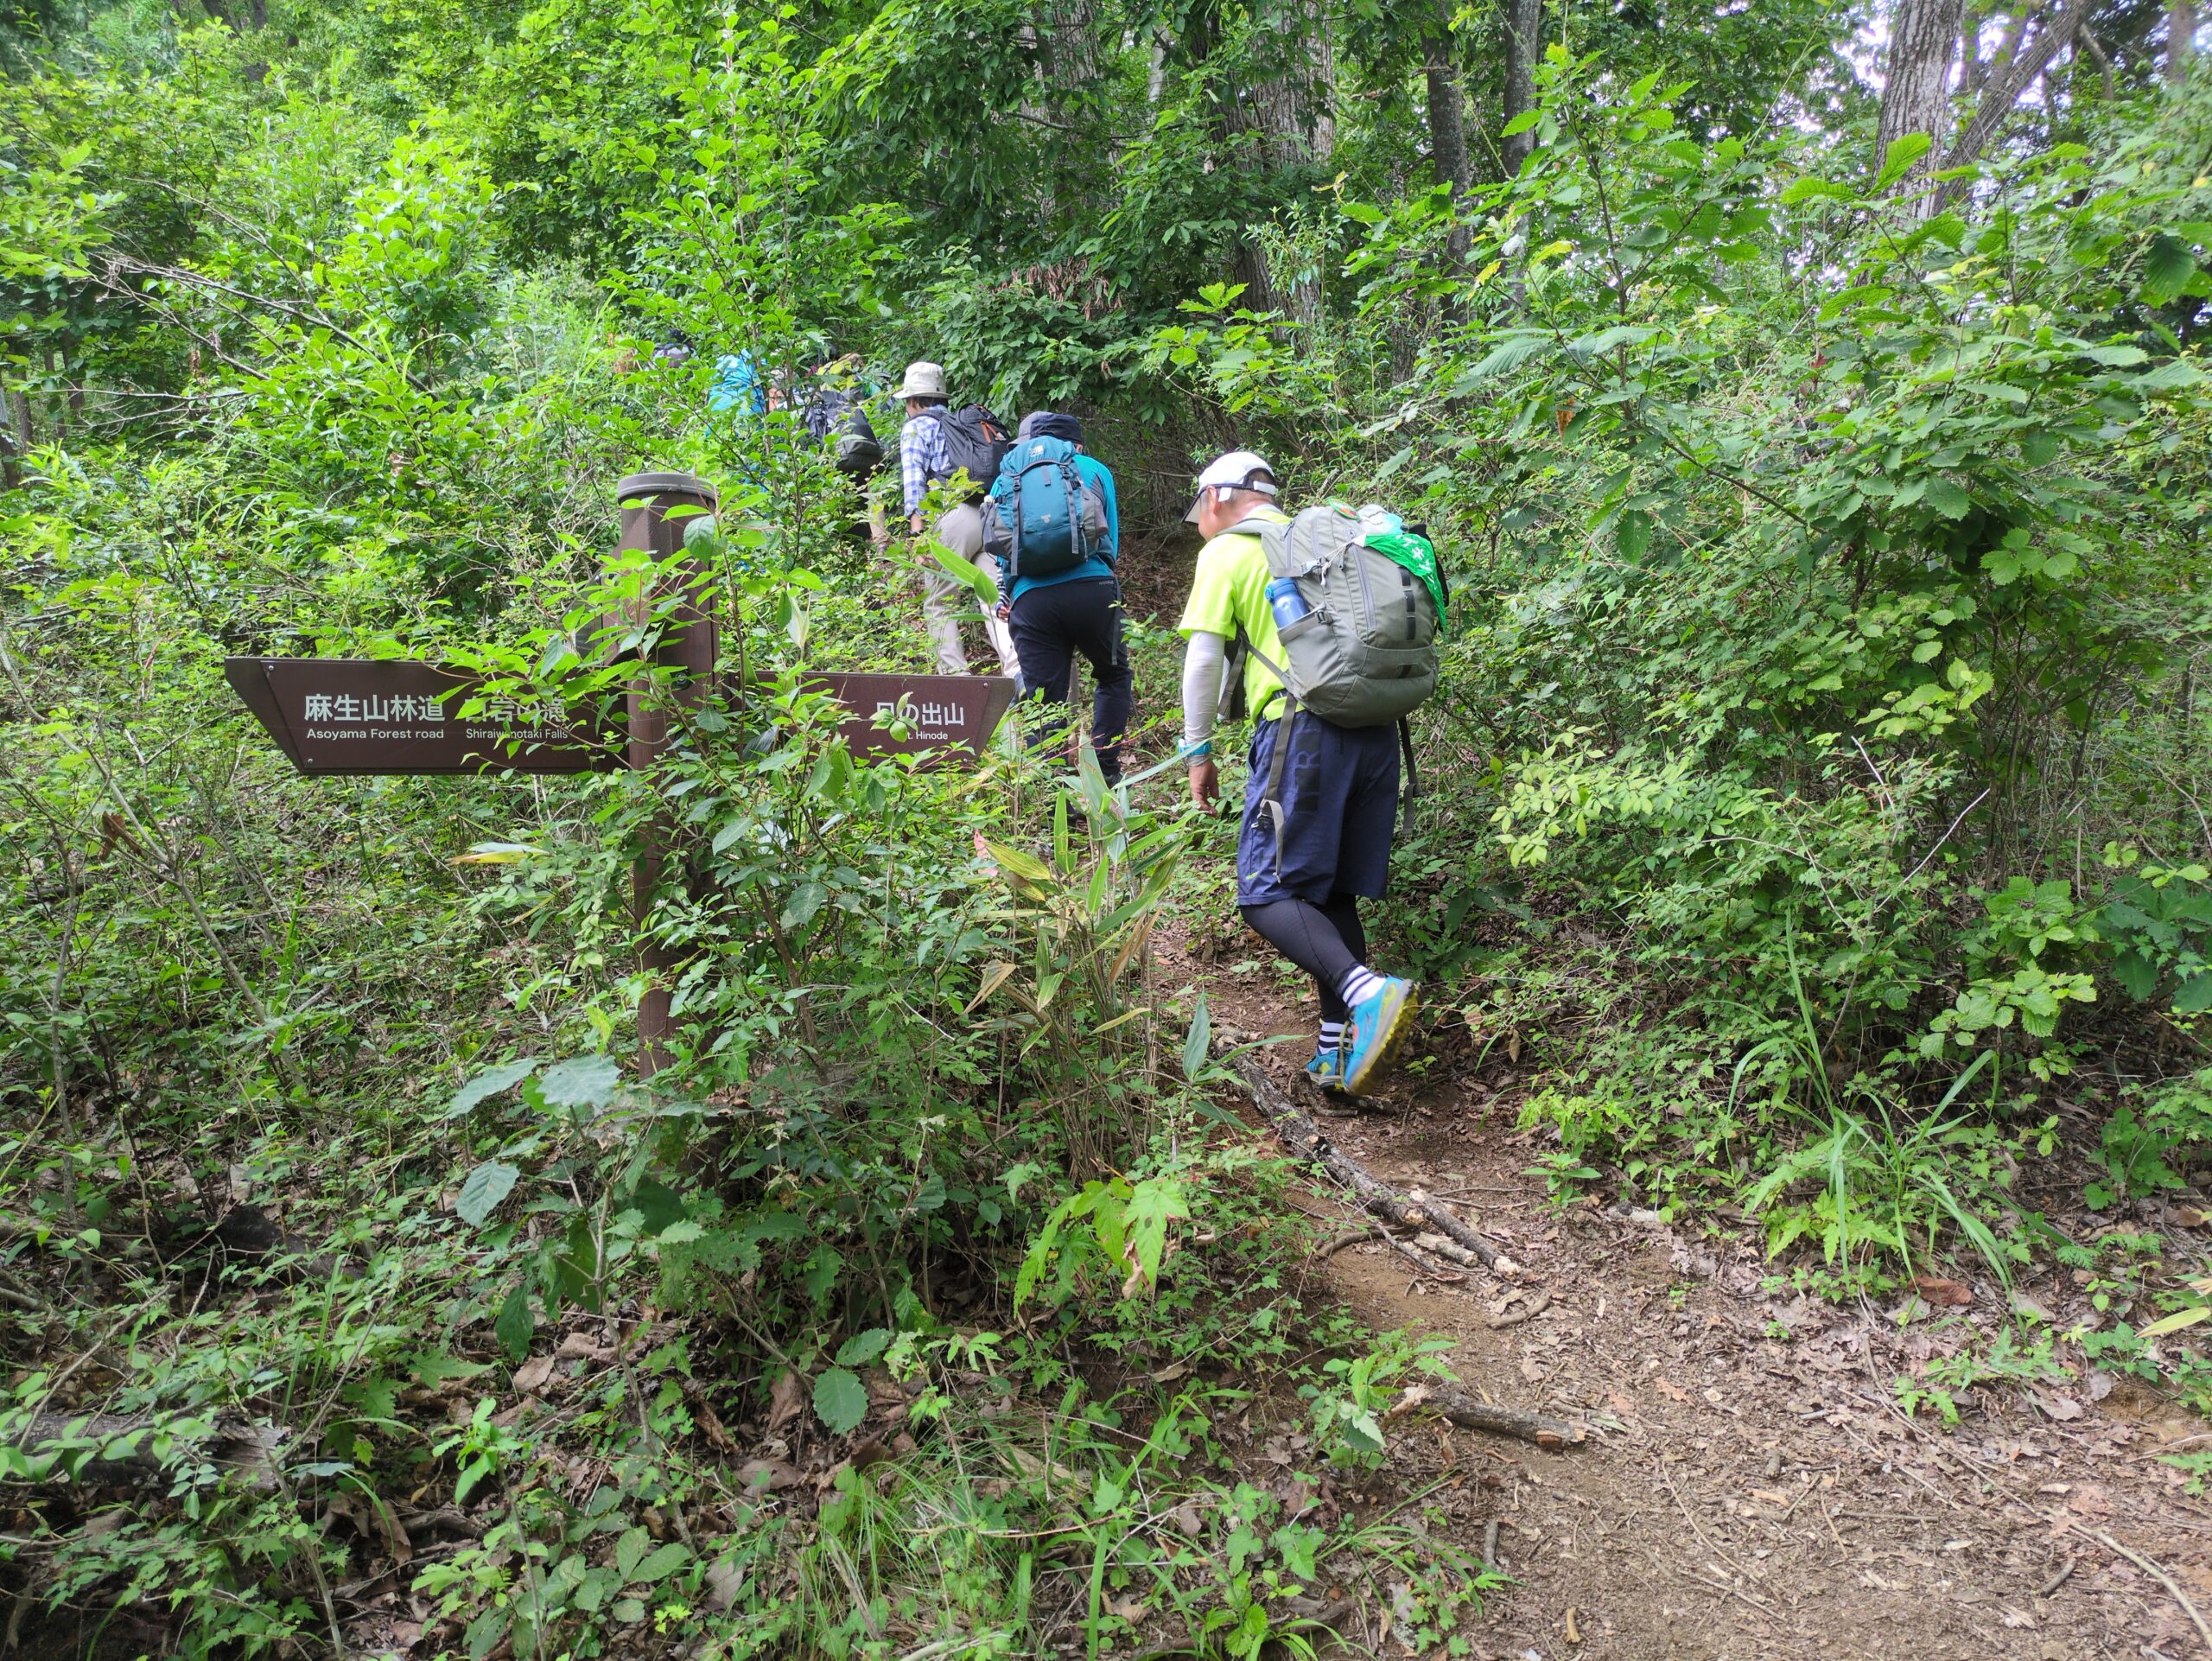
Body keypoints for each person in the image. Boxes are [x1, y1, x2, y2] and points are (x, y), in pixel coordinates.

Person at [1178, 450, 1420, 1099]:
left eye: (1199, 509)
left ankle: (1368, 992)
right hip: (1376, 729)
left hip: (1303, 732)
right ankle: (1337, 1059)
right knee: (1329, 895)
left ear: (1218, 497)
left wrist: (1197, 750)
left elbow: (1203, 659)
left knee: (1264, 893)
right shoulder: (1331, 542)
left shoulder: (1230, 551)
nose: (1199, 523)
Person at [988, 411, 1131, 785]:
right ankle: (1105, 775)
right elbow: (1110, 541)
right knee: (1113, 675)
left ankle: (1057, 793)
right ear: (1076, 444)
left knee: (1043, 699)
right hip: (1092, 591)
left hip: (1031, 600)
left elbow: (1002, 550)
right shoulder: (1095, 470)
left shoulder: (1009, 477)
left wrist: (1008, 595)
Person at [890, 360, 1020, 679]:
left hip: (952, 519)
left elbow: (914, 481)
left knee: (940, 601)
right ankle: (1019, 670)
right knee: (994, 597)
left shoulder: (917, 427)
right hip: (990, 516)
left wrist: (918, 534)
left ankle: (955, 677)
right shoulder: (959, 426)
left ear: (912, 400)